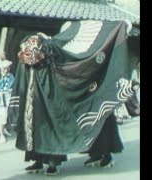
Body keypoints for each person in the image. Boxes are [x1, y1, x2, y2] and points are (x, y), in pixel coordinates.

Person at [8, 20, 134, 175]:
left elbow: (71, 62)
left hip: (66, 95)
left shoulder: (53, 51)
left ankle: (100, 154)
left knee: (95, 121)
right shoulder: (41, 51)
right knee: (37, 128)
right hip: (36, 98)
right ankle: (39, 160)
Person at [0, 56, 15, 143]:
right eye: (4, 68)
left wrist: (11, 90)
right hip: (0, 98)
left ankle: (5, 128)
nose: (6, 70)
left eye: (7, 68)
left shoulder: (11, 76)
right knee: (1, 116)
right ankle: (1, 135)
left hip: (9, 96)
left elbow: (14, 84)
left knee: (8, 114)